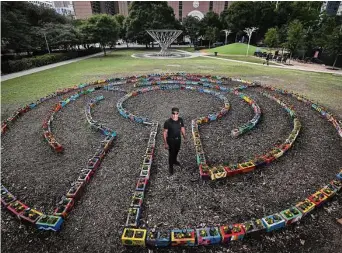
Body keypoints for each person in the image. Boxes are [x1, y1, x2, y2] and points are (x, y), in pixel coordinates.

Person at [163, 107, 186, 175]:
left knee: (177, 150)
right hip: (170, 140)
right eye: (173, 113)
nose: (175, 115)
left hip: (178, 139)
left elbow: (182, 128)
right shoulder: (167, 122)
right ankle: (171, 167)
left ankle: (175, 161)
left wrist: (185, 137)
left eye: (176, 113)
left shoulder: (180, 120)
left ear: (178, 113)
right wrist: (166, 143)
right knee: (171, 153)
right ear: (171, 113)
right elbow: (164, 133)